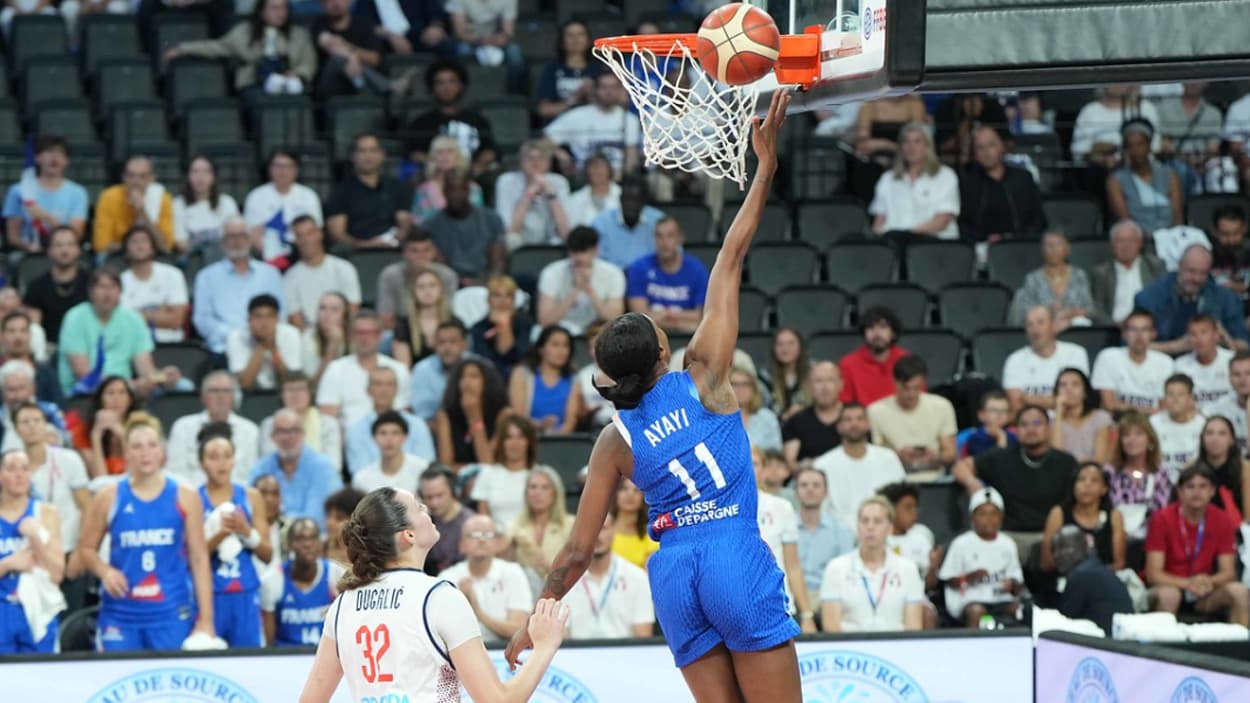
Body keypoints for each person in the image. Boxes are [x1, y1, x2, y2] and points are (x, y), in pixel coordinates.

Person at [505, 93, 807, 703]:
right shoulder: (705, 375)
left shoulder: (614, 440)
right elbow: (730, 258)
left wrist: (534, 618)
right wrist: (765, 169)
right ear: (664, 350)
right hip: (732, 552)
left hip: (671, 573)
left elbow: (577, 550)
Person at [299, 488, 569, 703]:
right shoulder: (439, 597)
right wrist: (544, 647)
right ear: (408, 534)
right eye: (418, 506)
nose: (426, 509)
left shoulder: (342, 605)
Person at [76, 414, 217, 651]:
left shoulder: (185, 496)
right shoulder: (108, 496)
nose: (145, 453)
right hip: (120, 614)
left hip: (170, 612)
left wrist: (206, 620)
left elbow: (199, 559)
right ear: (126, 453)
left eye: (152, 445)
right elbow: (86, 550)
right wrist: (105, 571)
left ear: (163, 452)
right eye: (137, 447)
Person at [954, 405, 1078, 559]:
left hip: (1052, 536)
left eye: (1037, 423)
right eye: (1024, 424)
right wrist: (972, 483)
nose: (1031, 429)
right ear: (1016, 430)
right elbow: (960, 467)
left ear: (1048, 428)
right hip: (1010, 536)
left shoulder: (1066, 462)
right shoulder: (1001, 458)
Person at [1144, 465, 1250, 626]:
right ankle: (1161, 643)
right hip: (1168, 587)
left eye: (1202, 487)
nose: (1196, 492)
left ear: (1212, 491)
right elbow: (1153, 574)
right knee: (1170, 595)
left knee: (1239, 592)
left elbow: (1228, 573)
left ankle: (1240, 642)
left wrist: (1209, 582)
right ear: (1180, 492)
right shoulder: (1161, 518)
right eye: (1190, 487)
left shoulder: (1222, 519)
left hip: (1205, 591)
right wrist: (1188, 583)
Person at [196, 423, 272, 648]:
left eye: (227, 456)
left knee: (248, 660)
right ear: (202, 462)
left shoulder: (251, 496)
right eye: (213, 457)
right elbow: (190, 557)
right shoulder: (194, 499)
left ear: (234, 460)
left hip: (245, 593)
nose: (221, 463)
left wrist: (245, 531)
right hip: (210, 593)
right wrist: (220, 534)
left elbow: (267, 554)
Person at [57, 269, 182, 398]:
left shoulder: (133, 319)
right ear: (91, 292)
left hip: (126, 394)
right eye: (101, 287)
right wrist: (131, 386)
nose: (107, 293)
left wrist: (161, 376)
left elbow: (145, 369)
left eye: (113, 287)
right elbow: (84, 374)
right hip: (84, 394)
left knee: (183, 385)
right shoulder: (75, 318)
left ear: (120, 292)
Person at [15, 401, 87, 607]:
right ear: (16, 428)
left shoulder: (69, 460)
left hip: (68, 550)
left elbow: (87, 507)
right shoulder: (11, 467)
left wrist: (81, 551)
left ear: (45, 424)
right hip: (29, 557)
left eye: (36, 420)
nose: (31, 426)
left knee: (71, 619)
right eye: (25, 422)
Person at [165, 0, 316, 97]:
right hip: (255, 84)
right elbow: (215, 47)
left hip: (290, 83)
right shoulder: (244, 32)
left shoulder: (299, 35)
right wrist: (182, 49)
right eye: (275, 9)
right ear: (262, 11)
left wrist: (298, 73)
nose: (280, 13)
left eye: (284, 8)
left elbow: (309, 61)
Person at [820, 496, 923, 632]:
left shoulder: (908, 569)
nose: (870, 527)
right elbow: (831, 626)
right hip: (850, 643)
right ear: (857, 527)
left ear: (890, 528)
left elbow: (914, 626)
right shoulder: (836, 568)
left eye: (877, 521)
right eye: (865, 521)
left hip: (895, 643)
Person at [0, 448, 64, 654]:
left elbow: (57, 574)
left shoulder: (46, 513)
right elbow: (12, 563)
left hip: (37, 609)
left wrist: (36, 539)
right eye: (11, 468)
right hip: (2, 609)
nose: (19, 474)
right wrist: (7, 564)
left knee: (41, 672)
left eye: (24, 468)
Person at [193, 218, 286, 355]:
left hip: (267, 347)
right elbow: (202, 320)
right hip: (224, 349)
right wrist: (237, 336)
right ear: (222, 242)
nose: (237, 241)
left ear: (249, 240)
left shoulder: (270, 274)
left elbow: (281, 314)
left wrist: (261, 333)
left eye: (242, 236)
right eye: (231, 237)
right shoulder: (206, 277)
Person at [439, 513, 533, 644]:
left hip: (503, 649)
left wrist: (478, 613)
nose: (481, 540)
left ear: (498, 543)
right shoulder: (447, 578)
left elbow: (519, 630)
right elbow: (441, 633)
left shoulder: (513, 573)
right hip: (461, 651)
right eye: (474, 535)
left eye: (488, 535)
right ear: (461, 545)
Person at [1136, 245, 1250, 354]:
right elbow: (1132, 345)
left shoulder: (1226, 298)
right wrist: (1175, 347)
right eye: (1192, 271)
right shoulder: (1150, 297)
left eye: (1203, 273)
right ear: (1180, 266)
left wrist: (1225, 341)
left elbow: (1244, 345)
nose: (1197, 278)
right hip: (1163, 363)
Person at [938, 487, 1025, 627]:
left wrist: (1012, 584)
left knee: (1021, 610)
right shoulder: (961, 543)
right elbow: (948, 580)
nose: (989, 519)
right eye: (983, 514)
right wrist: (969, 577)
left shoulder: (1008, 544)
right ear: (972, 518)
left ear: (1001, 517)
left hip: (1000, 599)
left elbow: (1018, 581)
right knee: (977, 612)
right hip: (971, 600)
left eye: (994, 514)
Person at [814, 403, 905, 531]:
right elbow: (820, 509)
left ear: (868, 424)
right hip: (839, 534)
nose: (854, 424)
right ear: (838, 427)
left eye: (859, 419)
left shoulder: (888, 458)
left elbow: (902, 501)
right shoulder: (823, 464)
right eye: (848, 419)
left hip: (885, 532)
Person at [248, 409, 342, 531]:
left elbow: (318, 517)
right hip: (269, 534)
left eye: (293, 430)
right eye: (281, 431)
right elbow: (251, 507)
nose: (287, 437)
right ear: (272, 437)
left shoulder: (323, 467)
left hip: (313, 537)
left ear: (303, 434)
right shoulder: (260, 468)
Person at [564, 515, 655, 639]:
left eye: (603, 529)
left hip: (625, 650)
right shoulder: (564, 580)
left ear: (614, 531)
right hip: (576, 650)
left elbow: (643, 637)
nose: (597, 536)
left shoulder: (637, 578)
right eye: (590, 530)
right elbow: (561, 638)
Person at [316, 310, 411, 429]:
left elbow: (405, 412)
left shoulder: (398, 370)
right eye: (360, 332)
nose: (365, 338)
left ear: (380, 335)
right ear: (351, 336)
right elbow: (327, 416)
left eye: (370, 332)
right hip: (347, 437)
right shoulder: (335, 369)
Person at [869, 122, 961, 242]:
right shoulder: (887, 179)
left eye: (917, 142)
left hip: (933, 243)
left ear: (928, 146)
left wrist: (908, 235)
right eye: (906, 142)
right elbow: (879, 222)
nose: (911, 147)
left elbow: (942, 221)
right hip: (894, 243)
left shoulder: (945, 176)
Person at [754, 454, 815, 633]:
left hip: (779, 604)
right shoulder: (722, 508)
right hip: (737, 604)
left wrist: (807, 615)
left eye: (755, 464)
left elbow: (793, 565)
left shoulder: (781, 507)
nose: (749, 468)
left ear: (765, 471)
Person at [166, 371, 262, 485]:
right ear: (202, 397)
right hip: (191, 492)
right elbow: (175, 472)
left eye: (226, 391)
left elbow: (251, 475)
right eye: (214, 391)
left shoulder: (250, 430)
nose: (220, 396)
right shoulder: (182, 427)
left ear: (234, 398)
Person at [260, 516, 344, 646]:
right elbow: (269, 643)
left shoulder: (336, 574)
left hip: (324, 654)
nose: (307, 544)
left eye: (313, 538)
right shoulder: (273, 580)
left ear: (320, 543)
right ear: (289, 544)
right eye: (300, 539)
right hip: (285, 655)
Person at [867, 355, 957, 474]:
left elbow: (950, 453)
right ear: (895, 382)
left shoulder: (942, 406)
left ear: (923, 383)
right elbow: (872, 456)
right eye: (905, 388)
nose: (911, 394)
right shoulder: (875, 411)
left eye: (916, 388)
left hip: (934, 478)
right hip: (893, 477)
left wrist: (934, 457)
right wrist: (898, 457)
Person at [544, 72, 641, 180]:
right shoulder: (576, 115)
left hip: (619, 177)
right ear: (595, 90)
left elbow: (632, 155)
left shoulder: (630, 120)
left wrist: (623, 176)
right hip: (584, 176)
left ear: (620, 90)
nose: (609, 92)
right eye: (604, 87)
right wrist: (561, 155)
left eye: (614, 87)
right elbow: (544, 141)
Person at [325, 134, 413, 250]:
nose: (368, 156)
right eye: (362, 151)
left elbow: (405, 224)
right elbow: (336, 235)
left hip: (393, 250)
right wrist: (367, 245)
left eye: (373, 150)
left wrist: (393, 241)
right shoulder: (340, 193)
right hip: (355, 254)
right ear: (353, 156)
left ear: (382, 155)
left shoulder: (397, 187)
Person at [2, 134, 87, 253]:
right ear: (37, 158)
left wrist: (46, 217)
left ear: (66, 161)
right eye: (49, 151)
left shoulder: (78, 193)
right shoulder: (18, 191)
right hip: (28, 253)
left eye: (60, 152)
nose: (55, 156)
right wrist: (29, 247)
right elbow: (13, 237)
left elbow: (76, 235)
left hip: (63, 253)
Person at [536, 226, 626, 337]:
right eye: (574, 251)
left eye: (583, 251)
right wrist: (575, 290)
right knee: (538, 332)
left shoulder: (613, 273)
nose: (578, 257)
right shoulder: (551, 272)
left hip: (598, 329)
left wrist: (589, 289)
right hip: (561, 329)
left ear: (596, 250)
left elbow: (615, 319)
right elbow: (545, 320)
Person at [958, 126, 1044, 242]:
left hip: (1021, 244)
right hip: (981, 245)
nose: (986, 152)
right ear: (974, 154)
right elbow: (964, 224)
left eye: (991, 145)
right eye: (980, 148)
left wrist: (1021, 239)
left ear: (1002, 146)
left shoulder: (1023, 178)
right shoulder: (968, 184)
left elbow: (1038, 218)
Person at [625, 217, 709, 336]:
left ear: (680, 238)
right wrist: (679, 320)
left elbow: (699, 317)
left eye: (670, 236)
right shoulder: (639, 268)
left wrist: (663, 315)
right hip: (649, 338)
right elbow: (639, 320)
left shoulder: (697, 270)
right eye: (659, 236)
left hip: (687, 339)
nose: (664, 243)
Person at [344, 367, 435, 476]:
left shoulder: (417, 425)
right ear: (368, 390)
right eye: (378, 384)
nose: (384, 390)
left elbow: (427, 466)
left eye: (389, 384)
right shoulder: (355, 431)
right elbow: (359, 473)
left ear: (397, 389)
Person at [1002, 306, 1091, 415]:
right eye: (1030, 324)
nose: (1035, 329)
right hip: (1033, 423)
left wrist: (1029, 399)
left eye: (1040, 322)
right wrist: (1057, 401)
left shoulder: (1075, 353)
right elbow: (1016, 405)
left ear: (1053, 325)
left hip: (1069, 422)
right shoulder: (1015, 360)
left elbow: (1077, 402)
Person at [402, 59, 495, 162]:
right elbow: (414, 153)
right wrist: (437, 165)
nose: (446, 88)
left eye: (452, 81)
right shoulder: (421, 123)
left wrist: (475, 167)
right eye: (440, 83)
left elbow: (490, 150)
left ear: (461, 85)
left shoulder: (478, 120)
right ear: (432, 88)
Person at [1040, 462, 1127, 572]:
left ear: (1104, 489)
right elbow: (1047, 563)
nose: (1087, 485)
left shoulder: (1115, 516)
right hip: (1065, 578)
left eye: (1094, 480)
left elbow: (1119, 563)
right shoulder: (1058, 513)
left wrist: (1093, 575)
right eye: (1081, 479)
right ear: (1073, 486)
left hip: (1103, 577)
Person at [244, 150, 324, 267]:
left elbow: (315, 231)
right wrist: (272, 257)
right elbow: (252, 234)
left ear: (296, 170)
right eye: (278, 166)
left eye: (288, 167)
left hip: (300, 253)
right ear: (270, 169)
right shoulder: (256, 196)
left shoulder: (308, 196)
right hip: (267, 255)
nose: (283, 171)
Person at [1007, 230, 1100, 330]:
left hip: (1074, 330)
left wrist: (1070, 313)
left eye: (1058, 244)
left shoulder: (1079, 276)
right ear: (1042, 250)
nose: (1054, 249)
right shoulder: (1032, 279)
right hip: (1042, 330)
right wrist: (1048, 312)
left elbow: (1090, 310)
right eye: (1049, 245)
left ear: (1067, 249)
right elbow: (1025, 313)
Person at [426, 168, 506, 282]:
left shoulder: (491, 219)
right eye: (451, 189)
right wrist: (456, 283)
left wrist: (487, 285)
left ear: (468, 190)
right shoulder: (431, 225)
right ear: (444, 191)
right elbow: (440, 268)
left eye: (461, 189)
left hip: (486, 284)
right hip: (449, 284)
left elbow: (498, 263)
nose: (456, 195)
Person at [283, 216, 363, 330]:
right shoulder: (289, 277)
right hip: (308, 336)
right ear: (295, 241)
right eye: (299, 236)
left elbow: (353, 310)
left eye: (309, 233)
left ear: (320, 233)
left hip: (343, 333)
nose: (305, 240)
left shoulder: (344, 268)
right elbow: (296, 319)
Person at [1051, 525, 1134, 634]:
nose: (1057, 555)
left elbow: (1063, 621)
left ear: (1084, 546)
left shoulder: (1081, 575)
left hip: (1105, 641)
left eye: (1064, 547)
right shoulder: (1095, 568)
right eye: (1053, 550)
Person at [1107, 119, 1183, 235]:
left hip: (1171, 237)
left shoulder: (1169, 174)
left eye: (1140, 145)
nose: (1135, 150)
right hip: (1137, 239)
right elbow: (1125, 220)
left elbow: (1177, 215)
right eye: (1130, 146)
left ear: (1149, 146)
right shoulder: (1116, 180)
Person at [1092, 309, 1174, 413]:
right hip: (1117, 418)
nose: (1139, 335)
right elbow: (1109, 404)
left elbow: (1165, 407)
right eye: (1133, 329)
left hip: (1154, 420)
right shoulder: (1108, 357)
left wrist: (1131, 409)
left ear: (1153, 334)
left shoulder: (1165, 362)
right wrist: (1144, 411)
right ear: (1124, 334)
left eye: (1145, 329)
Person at [117, 225, 189, 343]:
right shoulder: (119, 281)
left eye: (144, 241)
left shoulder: (173, 274)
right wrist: (161, 312)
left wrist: (138, 314)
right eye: (134, 242)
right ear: (126, 251)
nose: (140, 246)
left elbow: (177, 320)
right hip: (133, 344)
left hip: (171, 344)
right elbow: (122, 323)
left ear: (152, 248)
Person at [1106, 412, 1172, 538]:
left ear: (1150, 439)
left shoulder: (1161, 473)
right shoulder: (1110, 472)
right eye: (1126, 435)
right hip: (1115, 536)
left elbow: (1163, 510)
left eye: (1138, 434)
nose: (1132, 440)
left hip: (1153, 536)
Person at [494, 139, 571, 248]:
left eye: (541, 158)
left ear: (549, 162)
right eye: (530, 158)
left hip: (551, 241)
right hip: (517, 243)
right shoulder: (506, 181)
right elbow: (509, 230)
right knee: (511, 239)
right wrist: (529, 194)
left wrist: (551, 195)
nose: (535, 163)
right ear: (521, 161)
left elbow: (565, 232)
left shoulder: (559, 182)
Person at [259, 372, 343, 472]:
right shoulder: (269, 424)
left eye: (301, 389)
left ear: (310, 393)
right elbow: (269, 461)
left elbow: (334, 464)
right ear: (281, 395)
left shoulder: (328, 423)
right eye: (290, 390)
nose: (296, 395)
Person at [377, 229, 459, 330]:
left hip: (439, 330)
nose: (421, 256)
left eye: (426, 250)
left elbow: (447, 314)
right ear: (404, 253)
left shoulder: (447, 276)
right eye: (414, 251)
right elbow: (385, 318)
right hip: (401, 329)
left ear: (434, 252)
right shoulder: (390, 275)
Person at [92, 156, 174, 255]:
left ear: (152, 179)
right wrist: (134, 247)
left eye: (142, 176)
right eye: (131, 175)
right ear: (123, 177)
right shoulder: (109, 197)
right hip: (118, 255)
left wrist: (142, 212)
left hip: (152, 255)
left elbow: (166, 247)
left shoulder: (163, 199)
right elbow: (101, 245)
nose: (136, 181)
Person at [1089, 220, 1168, 325]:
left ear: (1140, 243)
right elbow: (1096, 307)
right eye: (1120, 241)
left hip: (1150, 327)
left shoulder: (1155, 266)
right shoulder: (1101, 272)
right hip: (1114, 327)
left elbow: (1165, 300)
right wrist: (1113, 326)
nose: (1126, 246)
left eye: (1131, 240)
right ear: (1112, 245)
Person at [794, 466, 855, 600]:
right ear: (796, 492)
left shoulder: (842, 530)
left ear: (826, 492)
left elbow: (846, 571)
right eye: (804, 485)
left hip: (829, 595)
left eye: (816, 485)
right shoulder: (786, 528)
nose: (810, 489)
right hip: (790, 594)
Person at [435, 359, 508, 469]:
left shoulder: (503, 415)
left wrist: (474, 417)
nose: (467, 381)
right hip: (460, 477)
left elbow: (487, 463)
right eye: (462, 377)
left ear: (487, 381)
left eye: (474, 376)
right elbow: (446, 466)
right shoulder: (445, 416)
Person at [505, 466, 573, 585]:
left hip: (561, 587)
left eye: (545, 488)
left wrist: (550, 567)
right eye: (533, 487)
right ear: (526, 493)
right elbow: (504, 567)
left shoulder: (570, 525)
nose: (537, 493)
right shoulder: (514, 525)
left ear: (555, 493)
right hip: (522, 587)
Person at [22, 226, 88, 344]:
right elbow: (34, 328)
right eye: (58, 245)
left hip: (87, 346)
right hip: (49, 347)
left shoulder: (92, 284)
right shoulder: (37, 286)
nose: (64, 250)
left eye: (70, 244)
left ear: (79, 250)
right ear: (49, 251)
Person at [508, 326, 579, 435]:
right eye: (555, 345)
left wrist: (556, 437)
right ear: (541, 349)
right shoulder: (522, 374)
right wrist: (540, 425)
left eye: (566, 345)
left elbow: (571, 421)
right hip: (527, 436)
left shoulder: (574, 379)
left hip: (562, 438)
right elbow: (518, 416)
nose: (561, 351)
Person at [471, 414, 538, 530]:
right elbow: (483, 518)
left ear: (529, 442)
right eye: (509, 437)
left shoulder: (540, 475)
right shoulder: (488, 474)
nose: (515, 443)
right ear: (501, 442)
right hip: (495, 537)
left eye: (521, 437)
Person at [309, 0, 385, 101]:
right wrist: (352, 57)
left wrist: (350, 50)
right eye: (329, 0)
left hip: (359, 79)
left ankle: (372, 93)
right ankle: (386, 86)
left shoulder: (364, 25)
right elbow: (329, 45)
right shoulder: (319, 24)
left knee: (348, 63)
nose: (335, 3)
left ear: (349, 1)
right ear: (322, 4)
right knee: (338, 59)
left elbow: (375, 59)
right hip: (328, 85)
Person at [227, 294, 303, 391]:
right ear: (249, 320)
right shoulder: (236, 337)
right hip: (249, 396)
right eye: (258, 316)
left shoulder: (291, 334)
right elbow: (244, 384)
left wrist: (274, 349)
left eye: (270, 316)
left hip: (282, 392)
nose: (264, 323)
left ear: (278, 319)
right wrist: (262, 346)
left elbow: (292, 381)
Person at [838, 306, 909, 407]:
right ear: (864, 333)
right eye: (871, 327)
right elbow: (845, 403)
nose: (877, 333)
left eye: (883, 327)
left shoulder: (906, 360)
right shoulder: (848, 364)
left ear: (893, 333)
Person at [68, 375, 137, 478]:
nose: (116, 399)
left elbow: (136, 474)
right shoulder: (83, 431)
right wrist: (96, 436)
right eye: (110, 393)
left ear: (130, 399)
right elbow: (99, 478)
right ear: (100, 399)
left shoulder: (140, 425)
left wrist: (122, 434)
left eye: (122, 393)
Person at [172, 155, 241, 259]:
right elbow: (181, 243)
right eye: (195, 172)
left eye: (206, 172)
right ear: (187, 177)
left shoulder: (227, 202)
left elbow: (235, 236)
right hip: (193, 260)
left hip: (224, 258)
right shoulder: (177, 204)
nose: (200, 177)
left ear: (214, 177)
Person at [590, 178, 665, 271]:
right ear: (620, 199)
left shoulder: (658, 221)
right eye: (626, 199)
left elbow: (674, 254)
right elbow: (592, 259)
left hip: (651, 276)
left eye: (635, 200)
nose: (630, 205)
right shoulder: (601, 222)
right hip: (611, 277)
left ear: (643, 201)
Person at [534, 19, 601, 122]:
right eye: (570, 35)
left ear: (588, 40)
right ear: (562, 41)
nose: (576, 39)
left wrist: (593, 95)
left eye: (580, 34)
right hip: (561, 125)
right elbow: (543, 110)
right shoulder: (552, 69)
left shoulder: (599, 69)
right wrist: (574, 99)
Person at [880, 482, 942, 593]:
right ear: (890, 509)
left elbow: (930, 585)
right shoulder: (878, 540)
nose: (914, 512)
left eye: (916, 507)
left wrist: (933, 567)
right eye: (908, 507)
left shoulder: (922, 537)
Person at [470, 274, 534, 379]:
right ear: (488, 300)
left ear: (513, 300)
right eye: (497, 295)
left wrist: (504, 325)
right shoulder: (478, 328)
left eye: (508, 296)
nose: (502, 300)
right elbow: (488, 363)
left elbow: (516, 358)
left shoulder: (525, 324)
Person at [412, 319, 476, 421]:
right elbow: (423, 415)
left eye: (453, 342)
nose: (447, 348)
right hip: (436, 425)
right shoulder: (422, 370)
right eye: (441, 342)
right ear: (434, 345)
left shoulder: (480, 366)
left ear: (465, 344)